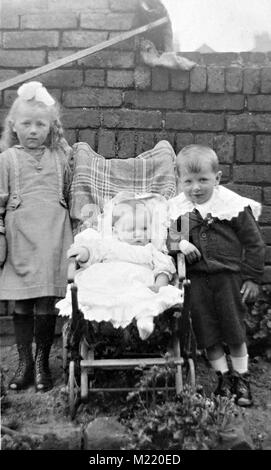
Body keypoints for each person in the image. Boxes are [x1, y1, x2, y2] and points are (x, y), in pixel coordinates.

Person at [168, 144, 265, 406]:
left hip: (228, 279)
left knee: (233, 328)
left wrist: (252, 278)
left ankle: (241, 378)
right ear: (179, 181)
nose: (195, 188)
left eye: (203, 180)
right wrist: (180, 245)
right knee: (206, 330)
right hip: (197, 282)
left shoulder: (231, 206)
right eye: (188, 181)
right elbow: (169, 239)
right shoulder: (182, 210)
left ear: (217, 179)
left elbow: (254, 242)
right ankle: (222, 377)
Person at [0, 81, 73, 392]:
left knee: (46, 302)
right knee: (22, 303)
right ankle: (24, 363)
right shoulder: (6, 159)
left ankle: (43, 362)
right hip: (20, 236)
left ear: (51, 126)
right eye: (26, 124)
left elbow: (74, 191)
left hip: (54, 235)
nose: (33, 130)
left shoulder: (61, 155)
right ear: (14, 126)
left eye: (40, 124)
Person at [56, 193, 183, 340]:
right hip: (109, 283)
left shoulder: (150, 250)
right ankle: (96, 330)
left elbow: (163, 268)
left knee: (146, 297)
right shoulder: (110, 245)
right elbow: (94, 252)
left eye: (144, 228)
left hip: (138, 283)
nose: (139, 234)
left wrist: (159, 285)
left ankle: (145, 318)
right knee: (94, 295)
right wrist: (83, 252)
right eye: (131, 230)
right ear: (117, 232)